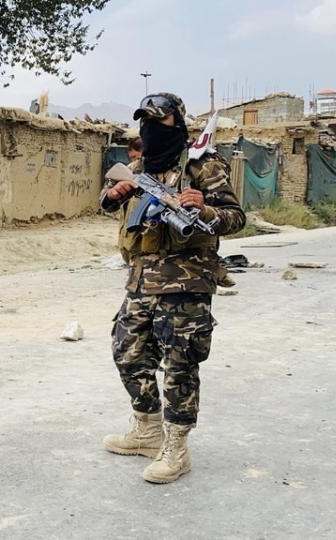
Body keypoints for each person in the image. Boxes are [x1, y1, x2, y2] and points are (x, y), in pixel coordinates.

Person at [99, 93, 246, 484]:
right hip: (141, 279)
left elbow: (235, 218)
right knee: (127, 352)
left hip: (186, 280)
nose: (149, 129)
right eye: (144, 121)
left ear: (177, 124)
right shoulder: (141, 166)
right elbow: (107, 203)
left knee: (180, 365)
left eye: (158, 122)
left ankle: (177, 448)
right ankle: (147, 431)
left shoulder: (204, 165)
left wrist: (205, 208)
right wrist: (112, 196)